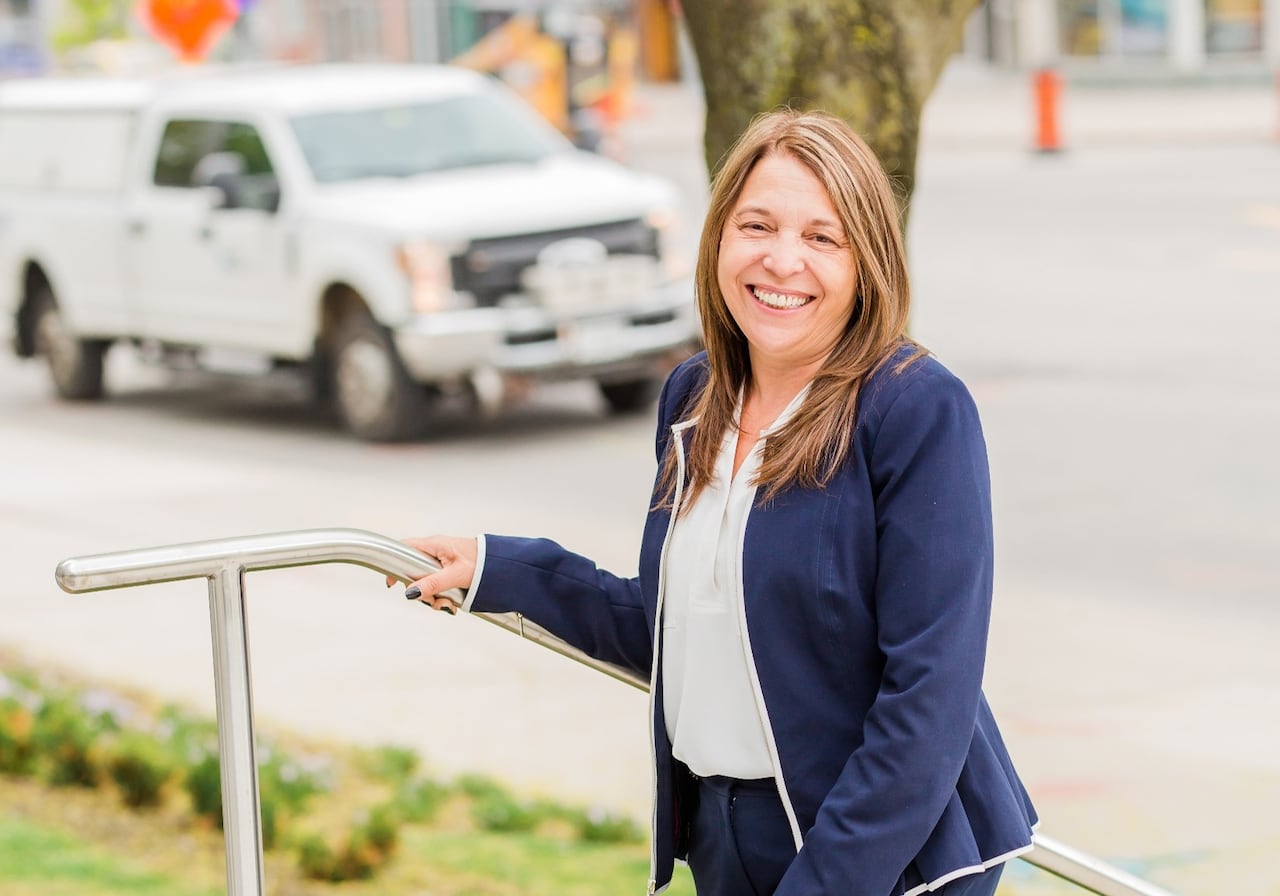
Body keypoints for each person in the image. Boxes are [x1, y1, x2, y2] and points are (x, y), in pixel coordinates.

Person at [394, 108, 1038, 896]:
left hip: (880, 854)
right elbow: (683, 627)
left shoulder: (913, 409)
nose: (782, 260)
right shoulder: (693, 395)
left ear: (867, 260)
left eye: (822, 238)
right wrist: (501, 571)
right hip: (729, 836)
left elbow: (929, 699)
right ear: (719, 240)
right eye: (757, 225)